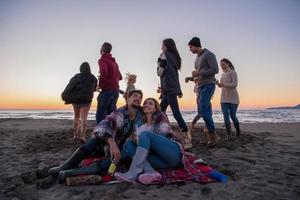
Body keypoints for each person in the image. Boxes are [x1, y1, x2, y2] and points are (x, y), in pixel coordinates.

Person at [49, 90, 144, 183]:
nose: (138, 99)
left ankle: (70, 173)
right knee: (97, 137)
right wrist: (111, 142)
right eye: (135, 96)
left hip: (126, 149)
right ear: (128, 98)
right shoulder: (120, 112)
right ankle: (68, 165)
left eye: (140, 98)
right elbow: (104, 124)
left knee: (119, 157)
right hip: (111, 146)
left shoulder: (142, 115)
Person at [114, 98, 183, 184]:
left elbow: (164, 136)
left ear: (155, 108)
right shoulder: (139, 125)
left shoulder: (160, 116)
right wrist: (134, 140)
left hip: (171, 154)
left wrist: (142, 141)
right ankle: (150, 172)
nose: (146, 105)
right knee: (129, 143)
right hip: (160, 162)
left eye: (150, 103)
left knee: (145, 135)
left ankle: (133, 173)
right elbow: (140, 145)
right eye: (145, 103)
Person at [157, 38, 192, 149]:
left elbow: (159, 72)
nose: (161, 46)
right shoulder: (175, 58)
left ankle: (186, 133)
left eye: (162, 45)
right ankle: (163, 130)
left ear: (166, 46)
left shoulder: (164, 55)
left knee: (175, 112)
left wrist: (158, 62)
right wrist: (179, 90)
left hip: (169, 88)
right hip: (172, 87)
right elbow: (175, 75)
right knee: (160, 110)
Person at [188, 37, 219, 147]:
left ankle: (214, 136)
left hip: (209, 85)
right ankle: (209, 138)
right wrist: (192, 78)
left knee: (202, 110)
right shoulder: (197, 58)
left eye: (190, 47)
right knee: (205, 111)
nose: (190, 49)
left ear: (196, 45)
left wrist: (198, 73)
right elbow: (200, 74)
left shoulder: (209, 54)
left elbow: (215, 69)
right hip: (200, 86)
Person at [61, 62, 97, 142]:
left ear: (81, 69)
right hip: (87, 101)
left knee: (76, 117)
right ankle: (83, 137)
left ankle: (75, 135)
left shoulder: (76, 77)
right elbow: (94, 89)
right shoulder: (93, 78)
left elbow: (70, 86)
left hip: (76, 100)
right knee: (84, 118)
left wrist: (65, 95)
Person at [96, 42, 123, 124]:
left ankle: (100, 133)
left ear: (102, 49)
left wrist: (100, 84)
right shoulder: (114, 63)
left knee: (101, 114)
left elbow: (104, 72)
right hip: (116, 90)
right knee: (112, 115)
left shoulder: (102, 60)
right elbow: (120, 77)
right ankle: (111, 133)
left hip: (107, 89)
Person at [216, 58, 241, 139]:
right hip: (223, 98)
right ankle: (228, 135)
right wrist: (219, 85)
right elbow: (223, 85)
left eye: (223, 64)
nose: (221, 66)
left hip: (233, 98)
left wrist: (223, 84)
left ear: (228, 64)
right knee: (225, 116)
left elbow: (234, 84)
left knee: (233, 116)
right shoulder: (222, 75)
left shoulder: (233, 73)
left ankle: (238, 131)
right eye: (221, 65)